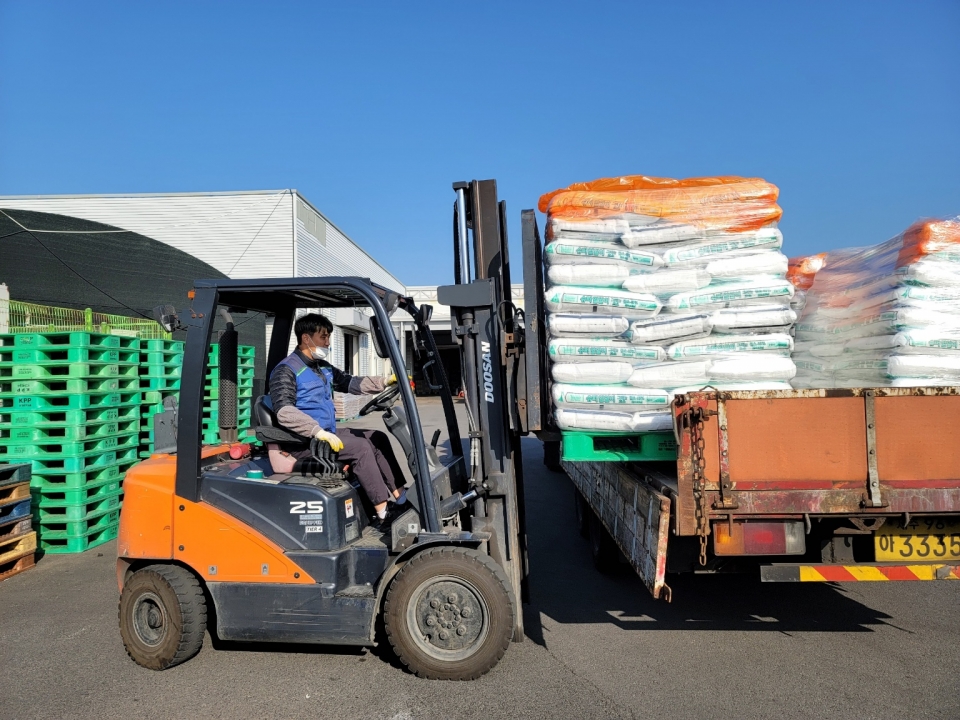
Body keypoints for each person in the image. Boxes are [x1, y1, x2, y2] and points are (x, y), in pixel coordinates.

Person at [268, 313, 408, 531]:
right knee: (360, 448)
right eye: (323, 337)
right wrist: (317, 432)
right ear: (306, 338)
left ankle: (401, 499)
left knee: (376, 437)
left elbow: (350, 383)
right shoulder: (286, 370)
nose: (328, 342)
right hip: (303, 441)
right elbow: (284, 411)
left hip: (326, 433)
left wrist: (384, 381)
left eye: (328, 337)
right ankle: (383, 512)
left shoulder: (322, 367)